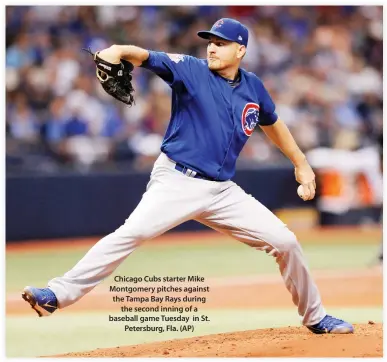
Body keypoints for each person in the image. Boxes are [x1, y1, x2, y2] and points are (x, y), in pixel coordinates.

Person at [22, 18, 353, 334]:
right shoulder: (191, 70)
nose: (211, 48)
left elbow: (273, 123)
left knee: (286, 242)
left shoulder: (253, 86)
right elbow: (147, 57)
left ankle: (315, 317)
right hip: (176, 181)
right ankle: (57, 295)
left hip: (222, 191)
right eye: (210, 42)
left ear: (240, 51)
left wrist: (301, 163)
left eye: (221, 44)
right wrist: (118, 50)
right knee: (131, 233)